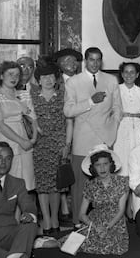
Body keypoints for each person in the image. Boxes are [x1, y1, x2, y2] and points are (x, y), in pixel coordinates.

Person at [64, 47, 122, 227]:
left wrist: (112, 131)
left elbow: (118, 109)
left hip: (105, 139)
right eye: (91, 60)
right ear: (85, 61)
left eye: (98, 60)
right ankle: (77, 223)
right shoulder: (73, 82)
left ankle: (106, 222)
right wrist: (90, 101)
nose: (95, 63)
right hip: (83, 139)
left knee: (105, 183)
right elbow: (68, 110)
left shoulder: (111, 80)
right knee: (80, 185)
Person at [60, 144, 129, 255]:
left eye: (105, 164)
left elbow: (121, 211)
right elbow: (81, 214)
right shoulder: (90, 184)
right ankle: (47, 241)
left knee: (112, 246)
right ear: (93, 167)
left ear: (111, 164)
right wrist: (95, 227)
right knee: (74, 243)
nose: (102, 168)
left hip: (115, 221)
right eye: (98, 165)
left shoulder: (121, 182)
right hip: (95, 221)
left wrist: (107, 227)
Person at [0, 61, 38, 191]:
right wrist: (22, 141)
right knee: (6, 184)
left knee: (25, 185)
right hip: (5, 140)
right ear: (1, 76)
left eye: (17, 75)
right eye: (10, 74)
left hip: (25, 140)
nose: (14, 78)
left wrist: (33, 140)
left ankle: (21, 212)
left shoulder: (24, 94)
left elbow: (33, 119)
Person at [32, 63, 71, 235]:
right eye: (44, 77)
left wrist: (67, 144)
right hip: (39, 145)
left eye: (51, 77)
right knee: (42, 185)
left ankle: (55, 219)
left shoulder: (63, 95)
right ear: (38, 80)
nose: (48, 80)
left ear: (56, 79)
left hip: (58, 145)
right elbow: (26, 119)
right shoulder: (31, 97)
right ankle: (46, 219)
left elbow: (69, 121)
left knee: (57, 185)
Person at [54, 48, 82, 224]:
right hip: (62, 128)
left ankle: (79, 205)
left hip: (81, 127)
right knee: (62, 165)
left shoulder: (83, 81)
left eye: (73, 61)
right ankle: (64, 205)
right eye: (65, 61)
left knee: (78, 168)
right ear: (59, 65)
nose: (70, 64)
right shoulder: (55, 83)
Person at [114, 62, 140, 176]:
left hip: (138, 127)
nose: (129, 75)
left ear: (137, 74)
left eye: (132, 72)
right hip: (121, 126)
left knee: (138, 156)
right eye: (126, 72)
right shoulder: (116, 89)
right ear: (122, 74)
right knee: (122, 157)